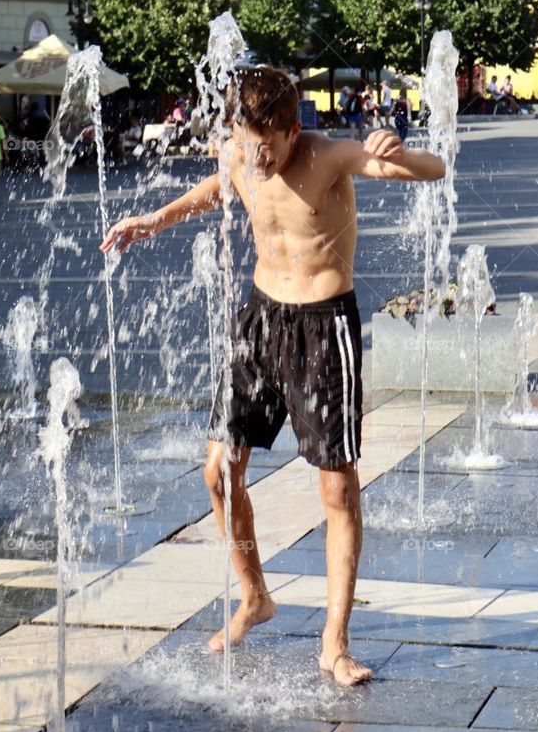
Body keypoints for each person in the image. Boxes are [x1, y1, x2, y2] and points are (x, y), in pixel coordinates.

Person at [100, 66, 445, 686]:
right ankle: (255, 596)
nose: (257, 158)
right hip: (260, 319)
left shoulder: (330, 155)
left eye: (269, 146)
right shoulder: (242, 151)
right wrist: (154, 219)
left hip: (323, 325)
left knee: (337, 490)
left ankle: (334, 643)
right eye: (246, 142)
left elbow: (430, 172)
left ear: (292, 129)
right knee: (219, 471)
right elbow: (220, 185)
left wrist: (402, 151)